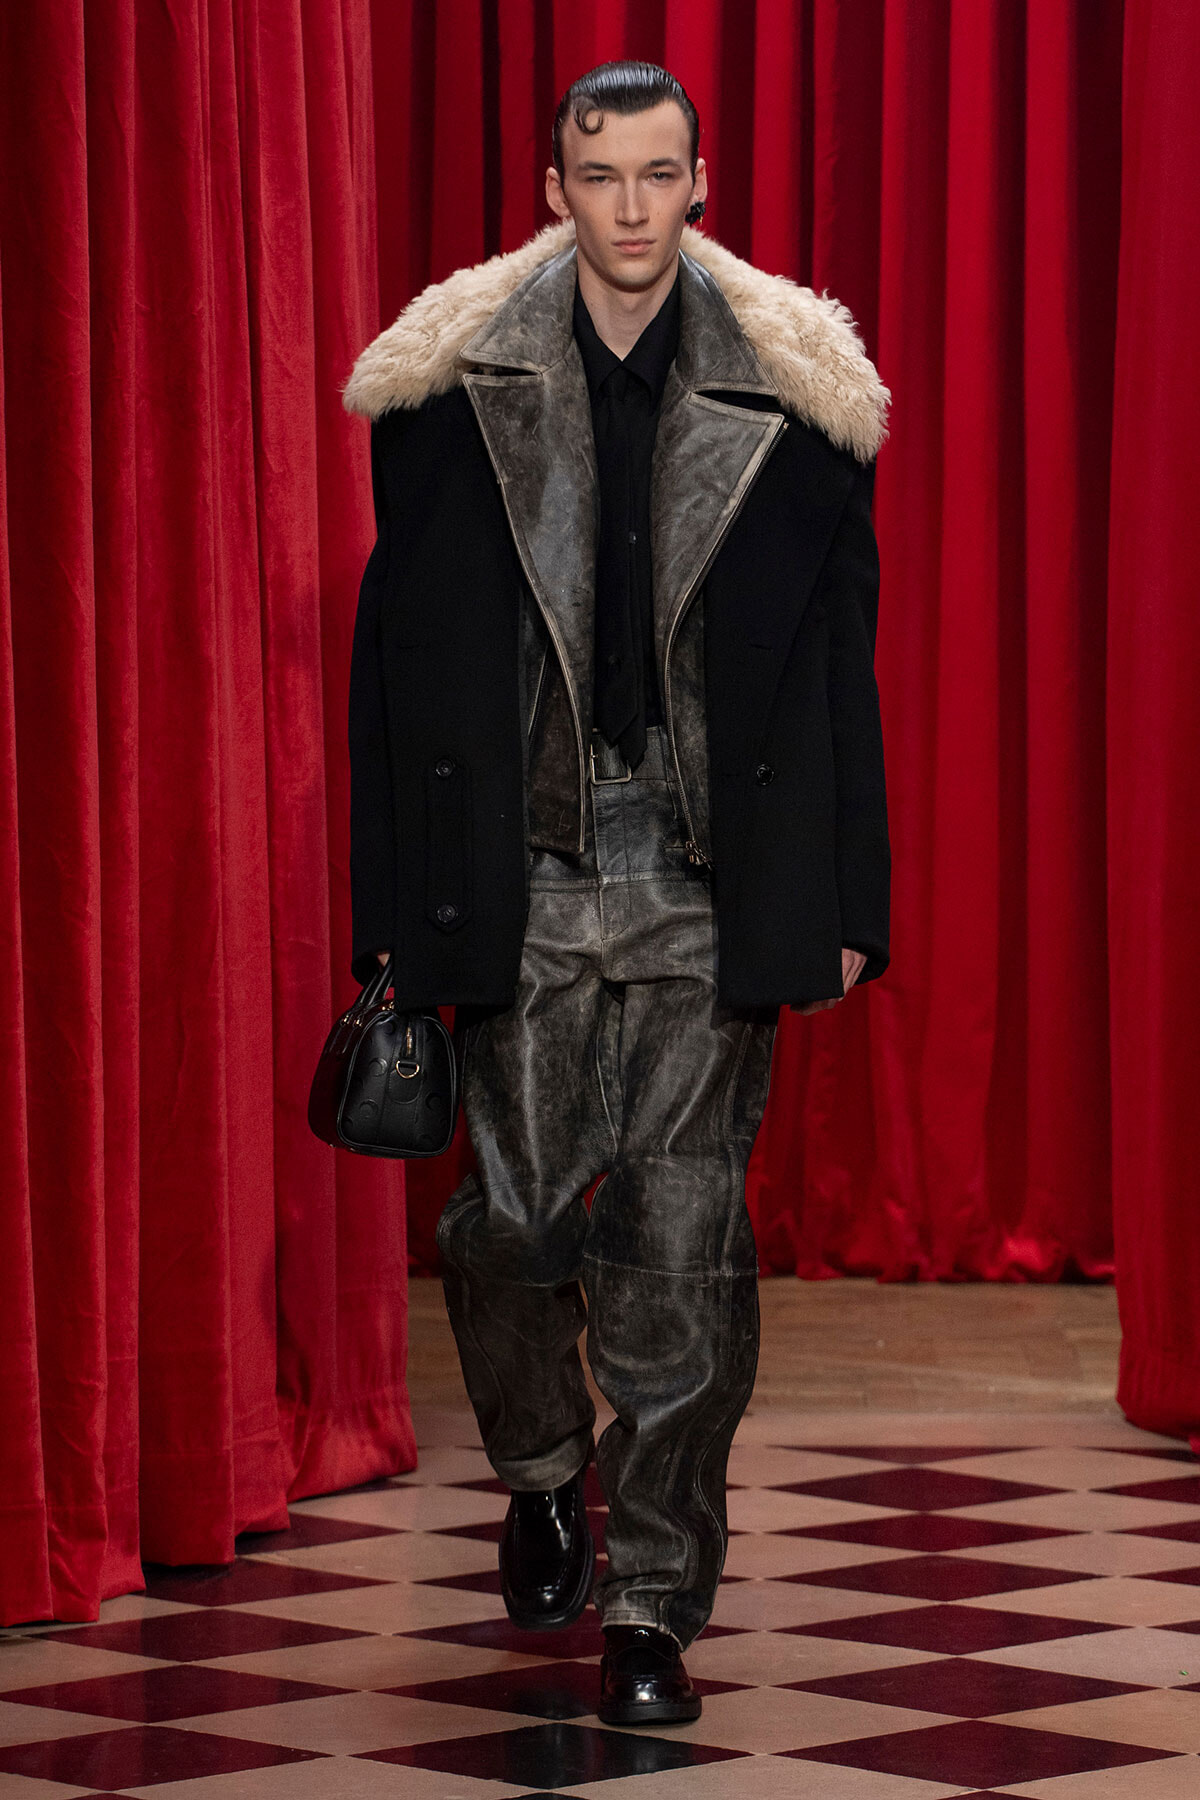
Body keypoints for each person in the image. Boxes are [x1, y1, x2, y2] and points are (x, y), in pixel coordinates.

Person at [341, 59, 890, 1726]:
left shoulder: (795, 394)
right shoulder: (457, 384)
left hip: (709, 877)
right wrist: (389, 907)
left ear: (701, 182)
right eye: (604, 177)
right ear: (559, 183)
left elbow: (838, 665)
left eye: (662, 176)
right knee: (504, 1227)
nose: (634, 209)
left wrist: (847, 891)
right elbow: (396, 669)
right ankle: (537, 1464)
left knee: (680, 1254)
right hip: (525, 867)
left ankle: (653, 1598)